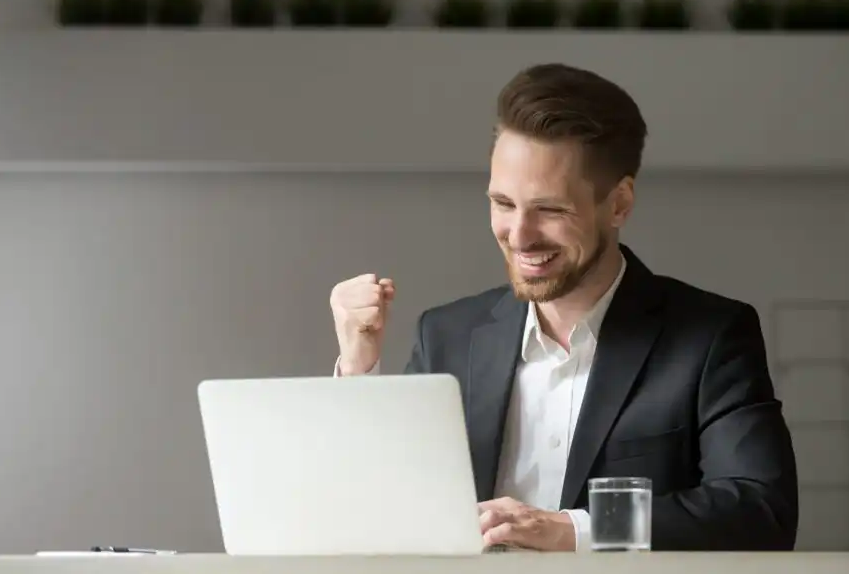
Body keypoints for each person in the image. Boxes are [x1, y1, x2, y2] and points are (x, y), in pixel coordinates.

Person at [329, 63, 798, 552]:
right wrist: (359, 371)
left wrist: (574, 530)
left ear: (618, 204)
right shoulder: (445, 335)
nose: (520, 234)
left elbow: (762, 510)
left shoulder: (710, 337)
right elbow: (380, 505)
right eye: (503, 203)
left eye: (550, 209)